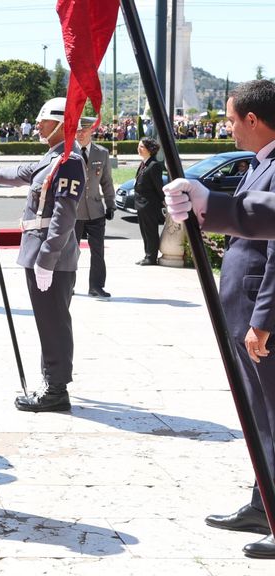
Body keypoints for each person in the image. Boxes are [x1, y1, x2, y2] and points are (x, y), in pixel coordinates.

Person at [165, 79, 275, 560]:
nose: (227, 128)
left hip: (260, 316)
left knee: (273, 415)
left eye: (231, 119)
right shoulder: (262, 163)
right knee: (258, 415)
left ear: (253, 120)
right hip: (245, 310)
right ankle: (263, 502)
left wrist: (264, 318)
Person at [0, 96, 85, 413]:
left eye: (43, 120)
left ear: (62, 124)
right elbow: (18, 173)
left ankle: (56, 391)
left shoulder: (69, 162)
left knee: (53, 324)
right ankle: (52, 383)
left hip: (52, 260)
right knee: (48, 323)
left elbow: (63, 219)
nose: (37, 125)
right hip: (40, 256)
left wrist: (46, 261)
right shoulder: (52, 159)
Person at [74, 116, 116, 297]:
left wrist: (111, 204)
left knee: (98, 251)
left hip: (95, 210)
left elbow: (106, 181)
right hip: (73, 211)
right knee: (70, 252)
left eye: (84, 130)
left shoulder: (102, 153)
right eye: (77, 130)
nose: (80, 134)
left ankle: (96, 286)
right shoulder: (67, 152)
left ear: (91, 131)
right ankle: (68, 285)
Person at [133, 137, 164, 266]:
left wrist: (163, 201)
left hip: (149, 205)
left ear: (149, 150)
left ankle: (151, 257)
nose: (139, 149)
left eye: (142, 147)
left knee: (150, 232)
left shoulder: (154, 165)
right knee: (144, 232)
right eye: (139, 146)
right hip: (141, 204)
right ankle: (147, 255)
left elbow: (158, 186)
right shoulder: (144, 163)